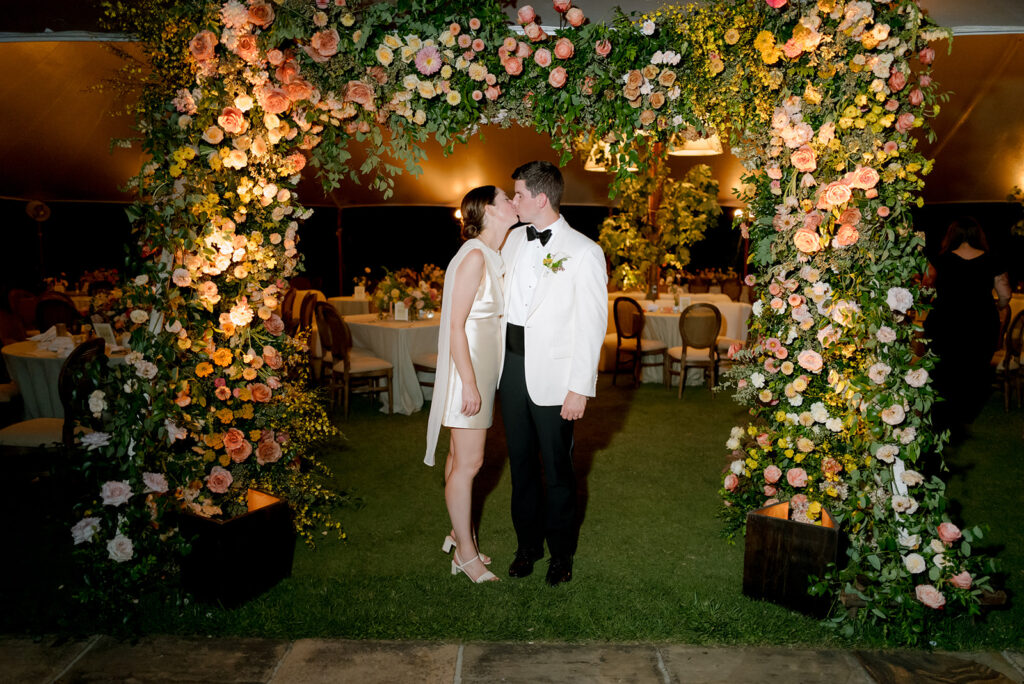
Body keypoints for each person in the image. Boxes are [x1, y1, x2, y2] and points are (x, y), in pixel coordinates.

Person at [499, 161, 608, 586]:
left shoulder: (585, 251)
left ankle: (560, 555)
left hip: (556, 377)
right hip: (510, 370)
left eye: (518, 195)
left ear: (541, 199)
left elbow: (592, 325)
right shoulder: (511, 241)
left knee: (558, 470)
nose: (513, 202)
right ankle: (527, 547)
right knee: (521, 465)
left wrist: (579, 388)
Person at [425, 185, 517, 584]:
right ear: (489, 211)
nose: (514, 202)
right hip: (469, 373)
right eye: (506, 199)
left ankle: (459, 535)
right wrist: (468, 384)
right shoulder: (475, 256)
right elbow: (456, 326)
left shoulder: (489, 254)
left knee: (458, 460)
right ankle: (465, 554)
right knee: (470, 464)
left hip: (477, 371)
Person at [924, 217, 1011, 438]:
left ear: (951, 236)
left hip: (946, 321)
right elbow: (1005, 294)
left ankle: (944, 414)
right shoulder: (992, 260)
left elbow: (925, 288)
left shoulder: (940, 260)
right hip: (980, 322)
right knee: (975, 367)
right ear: (978, 235)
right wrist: (999, 306)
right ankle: (966, 413)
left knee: (944, 368)